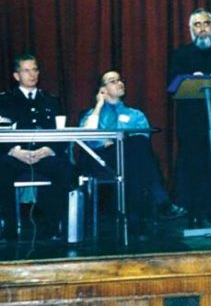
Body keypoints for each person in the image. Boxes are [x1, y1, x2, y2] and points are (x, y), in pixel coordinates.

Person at [79, 70, 186, 231]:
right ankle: (161, 202)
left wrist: (114, 141)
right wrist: (99, 106)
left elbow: (143, 139)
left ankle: (134, 216)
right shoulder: (93, 114)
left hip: (131, 157)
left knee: (135, 151)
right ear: (103, 89)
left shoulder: (136, 114)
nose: (120, 83)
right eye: (113, 81)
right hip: (103, 160)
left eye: (120, 79)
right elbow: (86, 137)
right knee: (136, 153)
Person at [0, 53, 72, 241]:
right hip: (16, 156)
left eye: (35, 69)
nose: (32, 74)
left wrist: (48, 150)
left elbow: (62, 132)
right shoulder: (4, 100)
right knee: (0, 167)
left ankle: (50, 226)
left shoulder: (51, 100)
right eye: (26, 70)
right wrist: (15, 151)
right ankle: (9, 227)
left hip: (43, 155)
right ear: (16, 76)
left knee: (65, 167)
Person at [169, 8, 211, 227]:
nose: (202, 28)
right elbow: (172, 86)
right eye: (197, 25)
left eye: (206, 24)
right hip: (192, 122)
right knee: (194, 166)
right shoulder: (181, 54)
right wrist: (190, 78)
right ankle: (195, 212)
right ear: (190, 30)